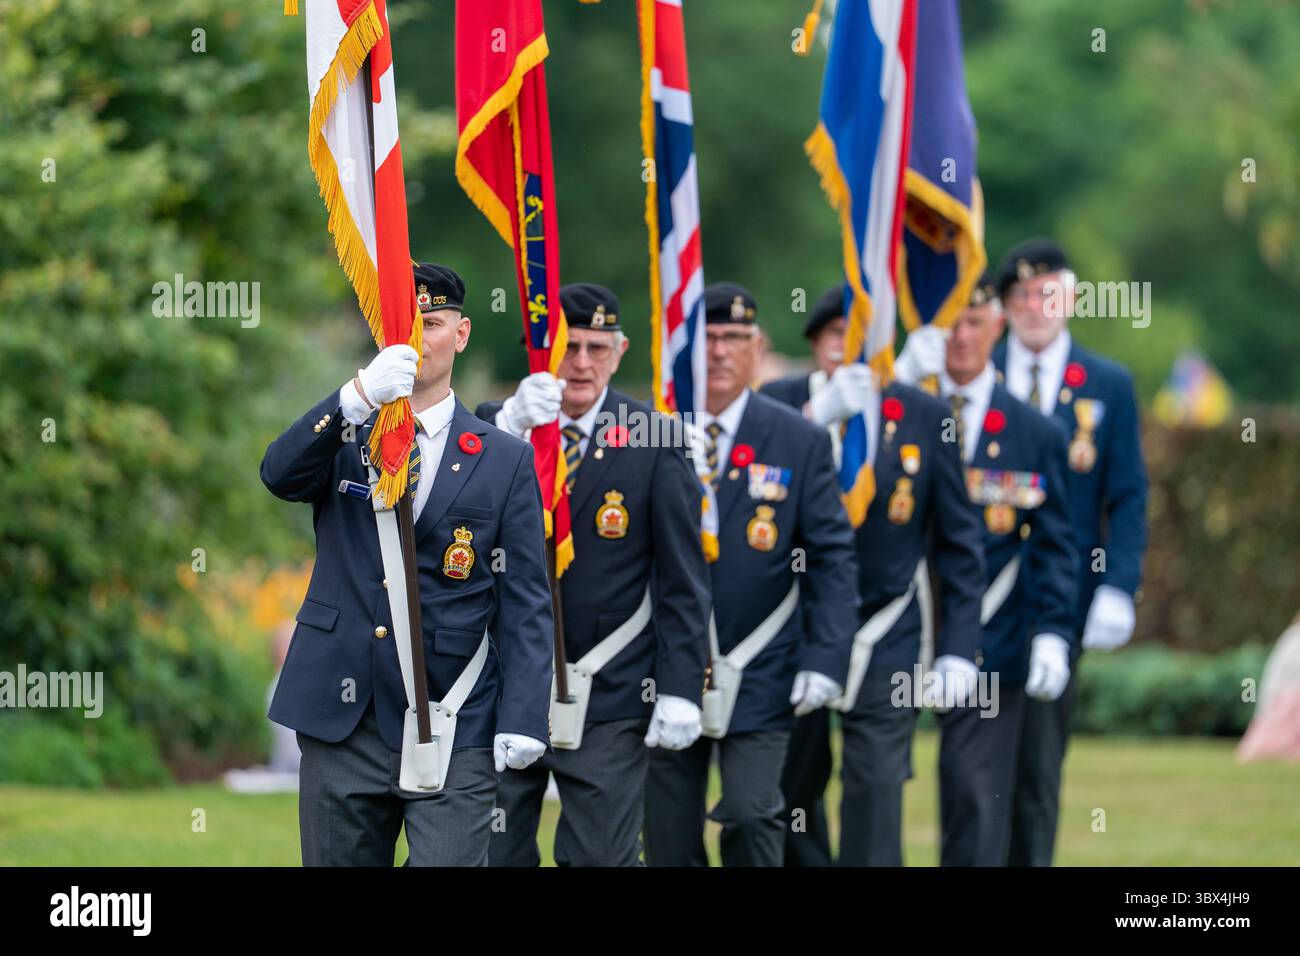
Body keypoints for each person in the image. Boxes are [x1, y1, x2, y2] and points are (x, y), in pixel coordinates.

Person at [260, 262, 553, 866]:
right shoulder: (346, 432)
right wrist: (356, 395)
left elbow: (525, 599)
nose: (421, 336)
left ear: (462, 333)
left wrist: (525, 713)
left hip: (451, 713)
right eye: (408, 323)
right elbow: (278, 474)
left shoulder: (503, 459)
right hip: (345, 712)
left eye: (435, 322)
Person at [476, 282, 711, 866]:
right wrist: (510, 429)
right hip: (506, 682)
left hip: (609, 688)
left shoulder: (655, 438)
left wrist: (682, 687)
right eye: (569, 345)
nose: (581, 363)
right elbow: (461, 528)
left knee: (600, 858)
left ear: (620, 350)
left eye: (597, 348)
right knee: (493, 852)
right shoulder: (496, 425)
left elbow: (682, 577)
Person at [767, 287, 986, 867]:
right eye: (838, 335)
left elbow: (960, 545)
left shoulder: (924, 415)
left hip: (884, 626)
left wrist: (959, 649)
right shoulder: (778, 404)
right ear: (815, 343)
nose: (849, 350)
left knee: (876, 785)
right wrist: (814, 421)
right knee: (791, 785)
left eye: (863, 338)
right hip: (796, 625)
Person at [643, 282, 858, 867]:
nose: (718, 352)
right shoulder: (650, 432)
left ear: (757, 347)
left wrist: (826, 656)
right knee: (666, 834)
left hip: (762, 665)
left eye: (734, 338)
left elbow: (833, 557)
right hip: (664, 664)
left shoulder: (798, 437)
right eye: (707, 338)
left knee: (751, 811)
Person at [895, 273, 1077, 865]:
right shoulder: (901, 412)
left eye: (975, 322)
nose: (961, 336)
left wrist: (1053, 630)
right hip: (894, 630)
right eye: (951, 322)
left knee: (974, 793)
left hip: (989, 641)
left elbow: (1055, 545)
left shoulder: (1034, 431)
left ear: (998, 326)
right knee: (867, 788)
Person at [991, 239, 1149, 866]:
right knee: (972, 766)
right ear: (1004, 306)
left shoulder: (1107, 384)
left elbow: (1128, 496)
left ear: (1071, 298)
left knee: (1037, 766)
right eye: (1021, 296)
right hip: (980, 599)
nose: (1035, 307)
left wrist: (1118, 583)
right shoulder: (977, 375)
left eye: (1046, 293)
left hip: (1063, 600)